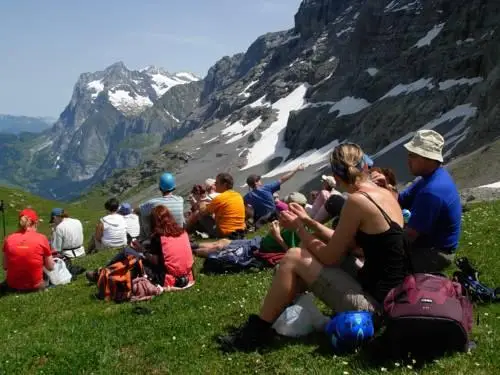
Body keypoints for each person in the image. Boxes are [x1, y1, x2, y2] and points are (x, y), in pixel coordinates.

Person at [218, 143, 409, 352]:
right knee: (302, 256)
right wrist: (309, 223)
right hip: (394, 297)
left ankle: (254, 335)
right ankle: (273, 321)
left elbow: (330, 257)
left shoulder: (357, 202)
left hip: (375, 310)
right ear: (365, 165)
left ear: (336, 177)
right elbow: (347, 243)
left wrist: (299, 229)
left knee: (293, 257)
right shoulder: (382, 193)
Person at [398, 129, 461, 272]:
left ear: (429, 158)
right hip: (429, 246)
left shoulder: (431, 191)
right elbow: (401, 199)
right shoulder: (431, 176)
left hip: (434, 253)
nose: (408, 160)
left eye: (412, 156)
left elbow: (409, 237)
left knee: (381, 264)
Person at [193, 193, 307, 258]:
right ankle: (191, 246)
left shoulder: (298, 227)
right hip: (258, 242)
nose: (285, 208)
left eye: (288, 205)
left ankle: (191, 252)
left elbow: (293, 253)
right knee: (222, 242)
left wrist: (277, 235)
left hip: (258, 249)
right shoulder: (294, 220)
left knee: (219, 248)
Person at [1, 208, 55, 293]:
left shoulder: (9, 238)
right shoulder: (42, 238)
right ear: (36, 223)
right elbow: (50, 267)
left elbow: (5, 266)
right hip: (35, 287)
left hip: (12, 286)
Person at [191, 173, 246, 239]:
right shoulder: (238, 195)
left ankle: (187, 233)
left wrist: (201, 201)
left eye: (217, 183)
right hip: (241, 229)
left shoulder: (220, 198)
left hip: (226, 233)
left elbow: (203, 212)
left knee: (200, 215)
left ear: (224, 185)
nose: (215, 184)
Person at [139, 172, 185, 239]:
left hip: (161, 237)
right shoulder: (180, 200)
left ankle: (146, 238)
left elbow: (139, 209)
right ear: (174, 186)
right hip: (178, 234)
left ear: (160, 188)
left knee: (142, 212)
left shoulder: (153, 203)